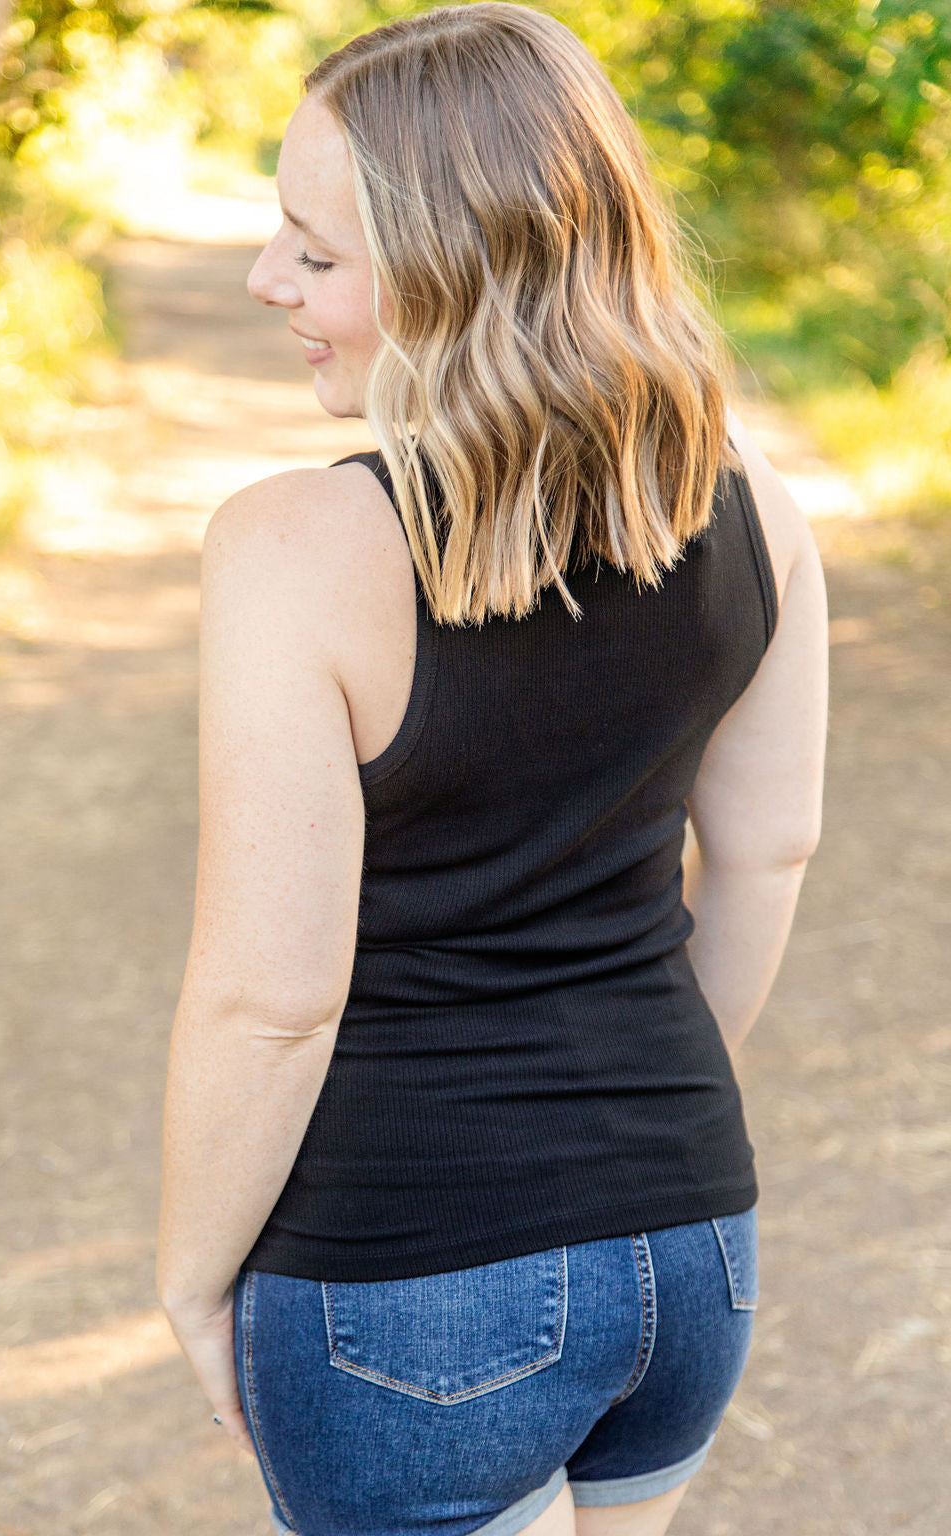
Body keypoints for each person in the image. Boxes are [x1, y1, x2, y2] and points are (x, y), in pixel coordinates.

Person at [155, 5, 829, 1535]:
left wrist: (192, 1275)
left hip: (407, 1279)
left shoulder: (293, 550)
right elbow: (770, 851)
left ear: (463, 271)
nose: (270, 281)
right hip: (688, 1250)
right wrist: (620, 1143)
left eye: (314, 254)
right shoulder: (749, 506)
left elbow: (275, 994)